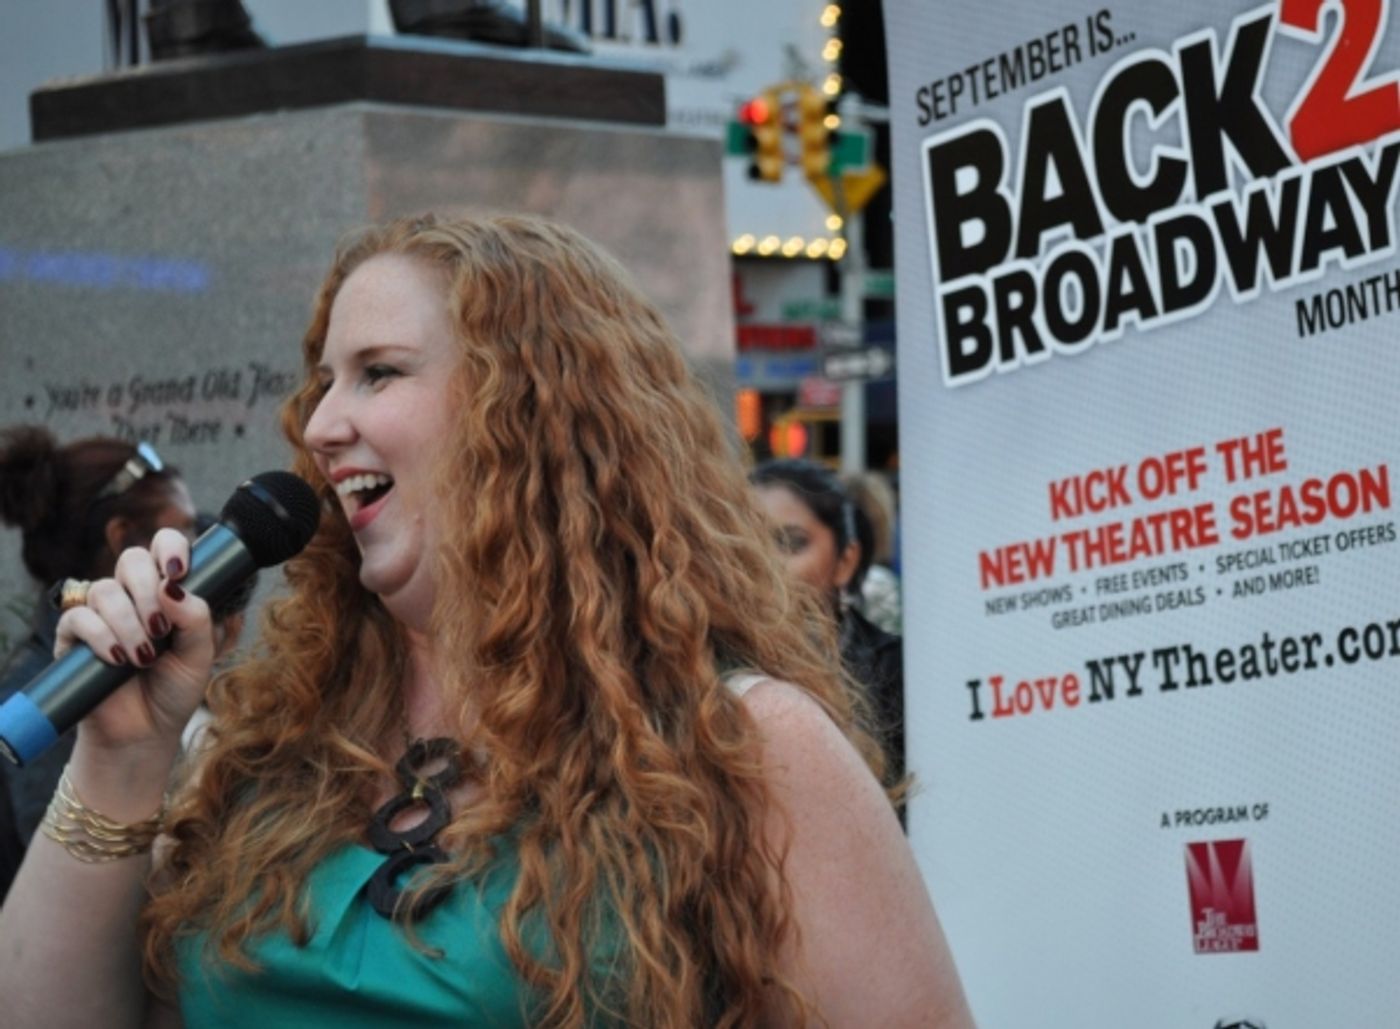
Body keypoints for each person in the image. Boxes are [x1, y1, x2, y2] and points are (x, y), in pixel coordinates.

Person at [0, 214, 972, 1028]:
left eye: (379, 372)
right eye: (325, 380)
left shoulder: (744, 745)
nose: (323, 423)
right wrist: (120, 760)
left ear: (533, 409)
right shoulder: (255, 737)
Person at [0, 427, 196, 903]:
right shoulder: (40, 703)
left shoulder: (154, 664)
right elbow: (69, 904)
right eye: (185, 532)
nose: (194, 554)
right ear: (121, 539)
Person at [751, 458, 906, 786]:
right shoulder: (703, 668)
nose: (763, 562)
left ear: (846, 562)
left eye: (790, 543)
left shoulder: (899, 674)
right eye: (746, 542)